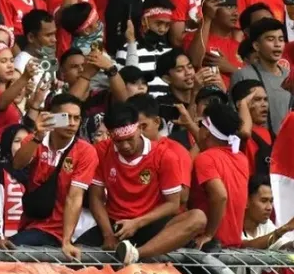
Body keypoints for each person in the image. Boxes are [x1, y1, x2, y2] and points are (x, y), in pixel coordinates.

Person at [80, 104, 205, 264]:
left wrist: (138, 222)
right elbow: (96, 198)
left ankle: (136, 254)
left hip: (152, 223)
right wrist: (108, 235)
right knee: (72, 256)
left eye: (129, 139)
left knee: (198, 218)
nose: (125, 146)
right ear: (110, 135)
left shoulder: (165, 156)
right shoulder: (100, 151)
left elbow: (173, 204)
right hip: (116, 225)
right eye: (118, 141)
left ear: (139, 128)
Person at [10, 94, 97, 260]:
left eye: (76, 118)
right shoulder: (34, 141)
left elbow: (75, 196)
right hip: (31, 223)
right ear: (52, 118)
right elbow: (17, 164)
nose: (72, 123)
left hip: (58, 231)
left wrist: (66, 241)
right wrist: (37, 136)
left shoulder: (86, 151)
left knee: (12, 253)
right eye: (66, 117)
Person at [189, 102, 250, 249]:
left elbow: (220, 195)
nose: (199, 129)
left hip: (208, 247)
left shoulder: (205, 158)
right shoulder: (241, 157)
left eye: (201, 125)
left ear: (207, 132)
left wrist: (209, 234)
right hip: (232, 246)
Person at [231, 18, 290, 136]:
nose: (277, 44)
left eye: (281, 39)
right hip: (257, 144)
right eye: (270, 39)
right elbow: (235, 115)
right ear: (256, 46)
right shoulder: (243, 75)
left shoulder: (290, 76)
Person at [0, 42, 37, 139]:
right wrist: (25, 77)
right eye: (3, 61)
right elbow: (0, 104)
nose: (10, 65)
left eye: (12, 61)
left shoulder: (7, 92)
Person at [242, 177, 294, 249]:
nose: (269, 207)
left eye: (271, 201)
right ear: (246, 201)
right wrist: (286, 228)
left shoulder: (266, 224)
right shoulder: (233, 225)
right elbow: (246, 247)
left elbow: (283, 245)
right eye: (263, 201)